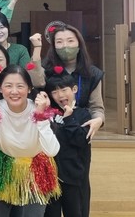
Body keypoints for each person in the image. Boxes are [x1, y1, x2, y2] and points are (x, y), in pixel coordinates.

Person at [0, 65, 61, 216]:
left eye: (20, 86)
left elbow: (52, 150)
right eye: (8, 86)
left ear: (29, 89)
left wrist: (41, 116)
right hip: (4, 166)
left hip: (36, 167)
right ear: (0, 88)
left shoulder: (38, 108)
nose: (14, 91)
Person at [42, 22, 105, 141]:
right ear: (54, 46)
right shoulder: (46, 70)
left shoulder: (92, 73)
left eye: (70, 41)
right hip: (51, 130)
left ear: (79, 44)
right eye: (59, 42)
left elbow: (96, 107)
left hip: (78, 128)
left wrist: (99, 120)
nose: (65, 46)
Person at [44, 69, 93, 217]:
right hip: (51, 179)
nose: (60, 95)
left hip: (75, 180)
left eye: (64, 90)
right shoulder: (49, 115)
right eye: (55, 92)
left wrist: (69, 118)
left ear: (74, 89)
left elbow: (81, 140)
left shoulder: (83, 114)